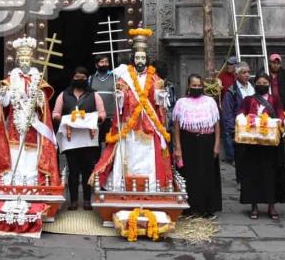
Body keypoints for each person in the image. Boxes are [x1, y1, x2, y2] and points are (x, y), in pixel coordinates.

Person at [91, 29, 173, 192]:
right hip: (130, 124)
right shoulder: (124, 78)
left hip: (149, 124)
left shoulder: (155, 78)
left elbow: (159, 102)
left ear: (147, 60)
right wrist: (119, 94)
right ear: (133, 59)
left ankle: (150, 186)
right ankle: (124, 185)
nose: (140, 61)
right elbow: (120, 101)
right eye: (137, 58)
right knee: (129, 154)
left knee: (147, 156)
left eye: (143, 58)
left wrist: (161, 94)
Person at [0, 36, 60, 186]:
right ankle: (15, 179)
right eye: (22, 60)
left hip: (33, 123)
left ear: (31, 60)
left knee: (31, 152)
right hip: (14, 122)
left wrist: (40, 98)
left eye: (27, 60)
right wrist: (3, 94)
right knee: (15, 150)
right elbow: (3, 105)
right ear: (18, 60)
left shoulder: (38, 80)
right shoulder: (10, 80)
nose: (25, 63)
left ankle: (31, 181)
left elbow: (43, 106)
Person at [235, 73, 285, 220]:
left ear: (269, 84)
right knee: (253, 174)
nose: (262, 85)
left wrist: (276, 122)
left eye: (265, 82)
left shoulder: (275, 99)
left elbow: (281, 115)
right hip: (252, 144)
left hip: (270, 145)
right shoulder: (248, 100)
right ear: (255, 84)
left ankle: (271, 206)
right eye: (259, 82)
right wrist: (244, 119)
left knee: (271, 174)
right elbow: (240, 114)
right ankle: (254, 206)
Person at [52, 67, 105, 210]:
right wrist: (63, 119)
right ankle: (73, 200)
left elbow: (102, 113)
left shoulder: (94, 95)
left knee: (88, 170)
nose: (79, 80)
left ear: (86, 79)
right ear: (72, 78)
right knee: (73, 170)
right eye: (77, 77)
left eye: (82, 77)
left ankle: (87, 199)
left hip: (88, 139)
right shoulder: (64, 95)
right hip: (71, 141)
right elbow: (55, 113)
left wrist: (97, 118)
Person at [172, 75, 221, 219]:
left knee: (207, 175)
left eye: (199, 86)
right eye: (194, 85)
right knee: (190, 175)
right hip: (188, 141)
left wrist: (217, 144)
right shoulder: (181, 103)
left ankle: (207, 209)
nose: (197, 88)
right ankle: (189, 208)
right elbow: (176, 127)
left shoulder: (210, 101)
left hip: (207, 141)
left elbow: (217, 124)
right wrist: (178, 148)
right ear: (188, 86)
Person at [221, 62, 254, 166]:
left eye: (248, 72)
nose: (247, 75)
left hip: (252, 126)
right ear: (236, 75)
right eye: (244, 72)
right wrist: (232, 131)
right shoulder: (231, 92)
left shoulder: (252, 87)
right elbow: (227, 115)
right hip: (238, 129)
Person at [88, 55, 116, 144]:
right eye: (102, 62)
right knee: (96, 143)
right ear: (96, 65)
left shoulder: (115, 77)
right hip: (96, 117)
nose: (105, 64)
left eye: (106, 62)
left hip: (111, 117)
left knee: (111, 143)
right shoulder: (90, 78)